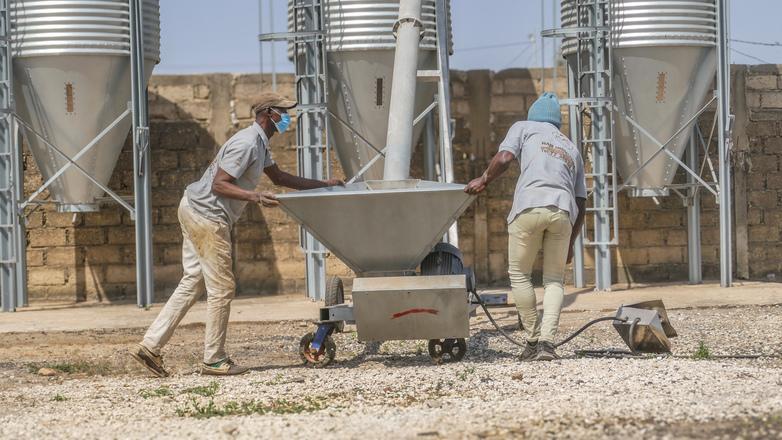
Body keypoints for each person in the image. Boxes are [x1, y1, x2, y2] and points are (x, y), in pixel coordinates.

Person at [130, 92, 343, 376]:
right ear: (269, 113)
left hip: (195, 209)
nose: (288, 118)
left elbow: (280, 178)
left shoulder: (260, 143)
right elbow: (220, 184)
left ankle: (149, 346)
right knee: (222, 288)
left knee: (193, 282)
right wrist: (254, 197)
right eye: (284, 112)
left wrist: (323, 184)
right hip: (207, 216)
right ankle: (214, 359)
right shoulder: (246, 143)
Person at [465, 92, 586, 362]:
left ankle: (532, 342)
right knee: (554, 280)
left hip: (529, 206)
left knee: (520, 274)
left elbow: (505, 158)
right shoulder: (571, 148)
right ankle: (547, 344)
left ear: (533, 114)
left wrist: (484, 179)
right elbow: (582, 200)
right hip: (563, 211)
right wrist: (571, 243)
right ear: (557, 123)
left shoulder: (523, 127)